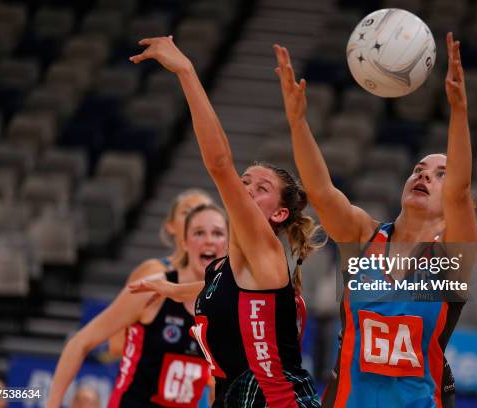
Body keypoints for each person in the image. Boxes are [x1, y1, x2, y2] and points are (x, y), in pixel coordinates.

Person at [273, 32, 477, 407]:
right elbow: (320, 192)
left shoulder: (454, 256)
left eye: (439, 174)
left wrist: (460, 111)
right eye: (418, 169)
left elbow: (461, 192)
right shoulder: (363, 236)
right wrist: (298, 122)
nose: (423, 176)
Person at [129, 35, 322, 407]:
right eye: (244, 181)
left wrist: (185, 71)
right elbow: (217, 291)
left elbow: (219, 165)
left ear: (279, 213)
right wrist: (171, 290)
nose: (245, 188)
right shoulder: (224, 268)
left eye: (260, 187)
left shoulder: (266, 250)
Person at [47, 202, 228, 408]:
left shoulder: (222, 305)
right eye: (199, 233)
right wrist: (52, 404)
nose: (209, 241)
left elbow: (216, 385)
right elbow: (79, 343)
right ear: (184, 242)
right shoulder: (153, 288)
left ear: (228, 243)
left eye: (217, 233)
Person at [107, 189, 213, 357]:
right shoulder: (154, 271)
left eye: (202, 211)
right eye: (187, 212)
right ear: (170, 226)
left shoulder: (223, 281)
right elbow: (116, 342)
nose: (195, 219)